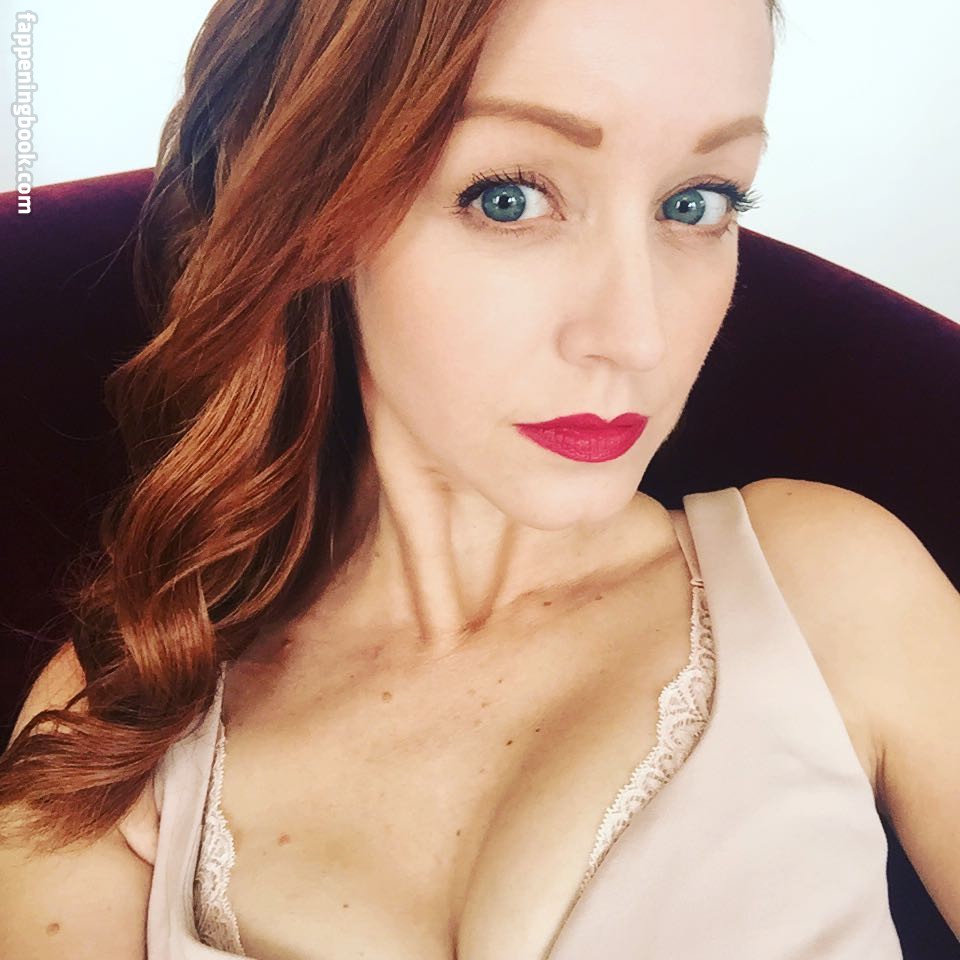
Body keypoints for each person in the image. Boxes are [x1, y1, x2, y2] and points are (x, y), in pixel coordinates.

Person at [2, 0, 958, 957]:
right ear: (315, 208)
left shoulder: (829, 589)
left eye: (697, 202)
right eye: (509, 199)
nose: (636, 336)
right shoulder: (118, 713)